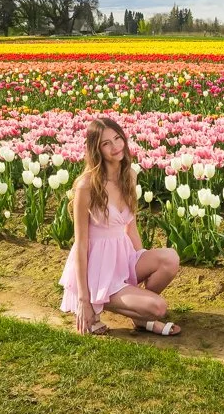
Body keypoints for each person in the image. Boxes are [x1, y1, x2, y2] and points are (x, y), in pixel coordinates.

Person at [59, 117, 182, 337]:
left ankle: (138, 314)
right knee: (159, 307)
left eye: (117, 138)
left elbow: (130, 227)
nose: (115, 147)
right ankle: (101, 305)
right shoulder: (86, 185)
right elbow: (81, 243)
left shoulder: (129, 175)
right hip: (98, 270)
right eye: (106, 143)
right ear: (97, 150)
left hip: (122, 259)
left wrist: (140, 261)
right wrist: (84, 299)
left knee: (170, 258)